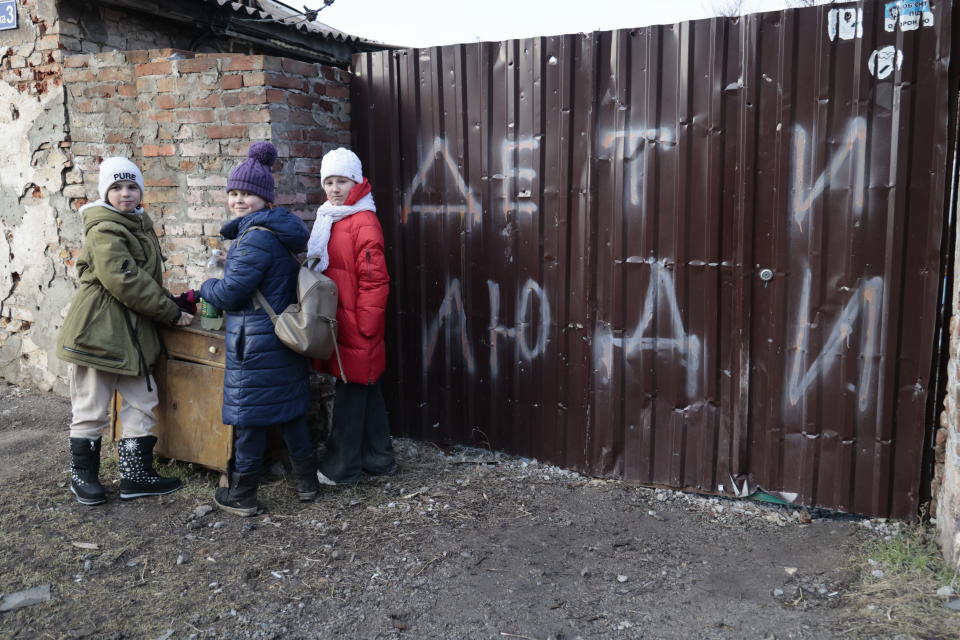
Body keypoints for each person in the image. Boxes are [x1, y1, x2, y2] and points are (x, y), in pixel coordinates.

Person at [58, 157, 192, 505]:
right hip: (99, 330)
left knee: (142, 401)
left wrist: (174, 304)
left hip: (134, 330)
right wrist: (169, 313)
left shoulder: (137, 223)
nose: (125, 193)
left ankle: (136, 476)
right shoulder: (104, 228)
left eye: (132, 186)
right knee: (91, 406)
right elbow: (125, 280)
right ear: (105, 192)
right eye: (116, 187)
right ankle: (83, 478)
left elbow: (144, 278)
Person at [199, 141, 320, 516]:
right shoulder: (276, 232)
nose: (239, 200)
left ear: (266, 199)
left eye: (247, 194)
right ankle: (307, 484)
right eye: (234, 192)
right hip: (280, 337)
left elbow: (231, 294)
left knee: (249, 418)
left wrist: (205, 286)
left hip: (254, 342)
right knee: (290, 413)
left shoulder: (253, 239)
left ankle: (242, 495)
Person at [307, 147, 395, 486]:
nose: (334, 189)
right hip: (338, 320)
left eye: (341, 181)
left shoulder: (363, 221)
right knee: (365, 388)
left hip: (357, 323)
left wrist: (367, 326)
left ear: (356, 182)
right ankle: (378, 458)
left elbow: (375, 279)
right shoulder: (330, 217)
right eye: (328, 182)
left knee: (350, 391)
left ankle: (341, 467)